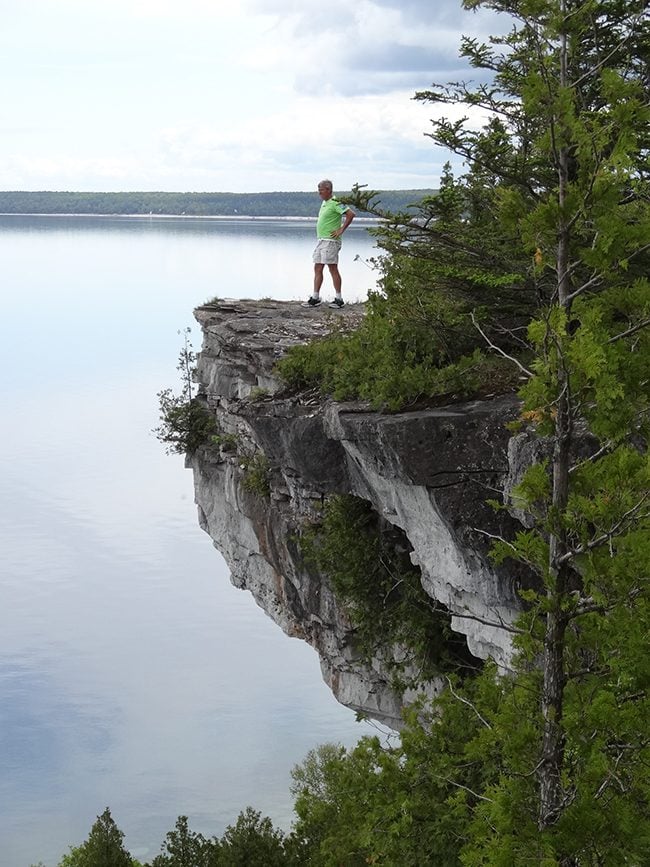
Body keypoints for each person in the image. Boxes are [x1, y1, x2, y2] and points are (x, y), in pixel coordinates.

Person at [303, 179, 355, 308]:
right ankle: (315, 297)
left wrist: (341, 230)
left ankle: (339, 299)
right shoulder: (325, 203)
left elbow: (351, 214)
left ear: (328, 190)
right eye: (318, 190)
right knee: (318, 267)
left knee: (332, 268)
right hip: (322, 240)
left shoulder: (336, 202)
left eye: (321, 190)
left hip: (331, 241)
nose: (319, 193)